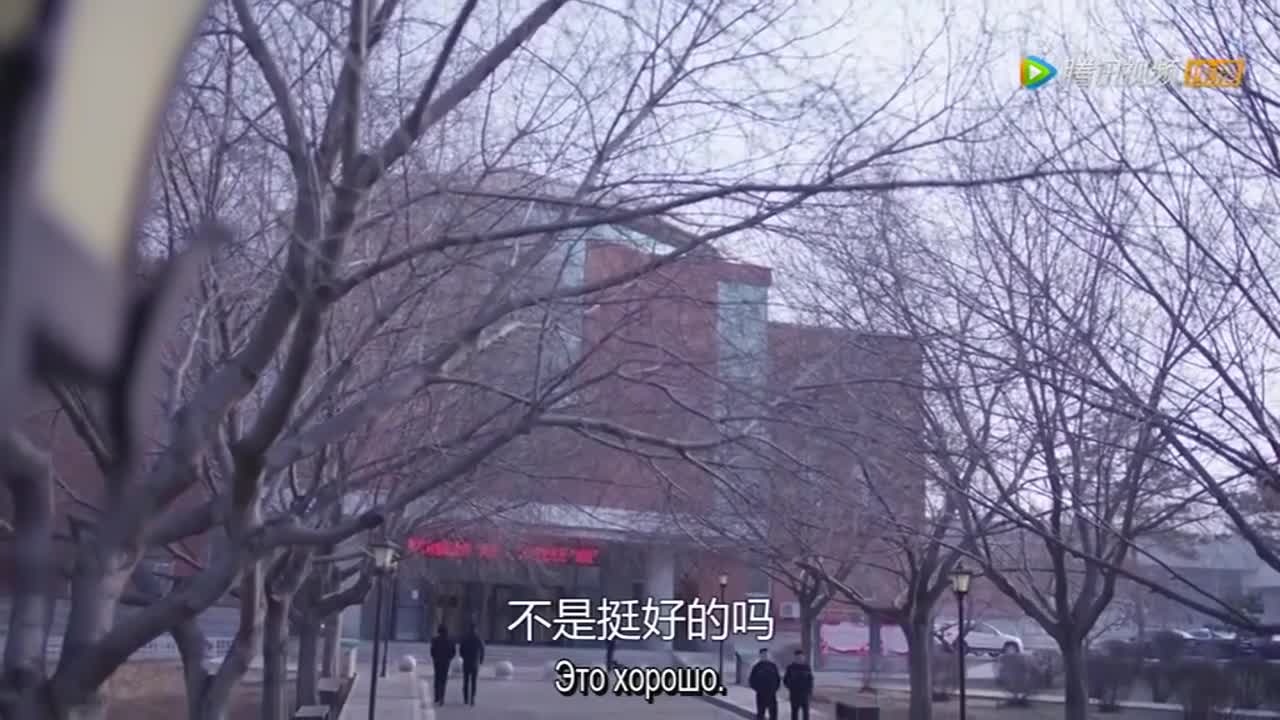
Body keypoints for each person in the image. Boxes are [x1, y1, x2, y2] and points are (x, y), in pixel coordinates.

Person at [748, 648, 781, 720]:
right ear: (760, 655)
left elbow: (778, 678)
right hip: (761, 694)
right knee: (760, 713)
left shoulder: (773, 666)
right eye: (763, 654)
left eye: (766, 654)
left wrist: (775, 688)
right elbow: (751, 680)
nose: (765, 656)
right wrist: (758, 689)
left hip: (771, 693)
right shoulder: (757, 667)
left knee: (773, 713)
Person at [783, 649, 814, 720]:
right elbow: (785, 680)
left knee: (806, 713)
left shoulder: (807, 667)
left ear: (803, 657)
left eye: (801, 657)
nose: (800, 659)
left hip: (805, 694)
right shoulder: (790, 667)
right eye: (798, 657)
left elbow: (810, 680)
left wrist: (810, 691)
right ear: (795, 658)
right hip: (795, 694)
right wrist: (791, 687)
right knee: (794, 713)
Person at [459, 623, 485, 706]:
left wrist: (463, 657)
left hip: (466, 662)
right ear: (475, 629)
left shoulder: (465, 638)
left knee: (465, 681)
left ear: (469, 629)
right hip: (475, 663)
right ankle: (472, 698)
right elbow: (482, 650)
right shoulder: (478, 638)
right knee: (474, 682)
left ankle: (465, 698)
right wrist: (481, 660)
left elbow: (461, 650)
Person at [429, 624, 456, 705]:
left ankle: (437, 696)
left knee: (437, 678)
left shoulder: (435, 640)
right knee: (443, 680)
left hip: (437, 661)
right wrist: (449, 658)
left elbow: (432, 651)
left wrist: (434, 657)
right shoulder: (451, 640)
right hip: (446, 662)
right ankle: (442, 698)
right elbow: (453, 652)